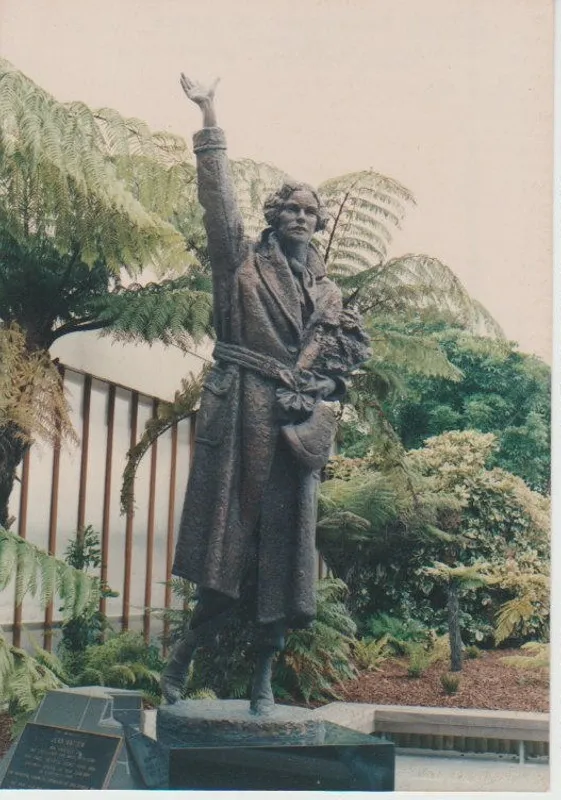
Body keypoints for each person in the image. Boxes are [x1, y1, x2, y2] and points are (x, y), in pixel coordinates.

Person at [160, 74, 370, 714]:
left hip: (294, 431)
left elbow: (344, 368)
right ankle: (182, 658)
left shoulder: (332, 297)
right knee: (230, 548)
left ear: (318, 223)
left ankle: (262, 683)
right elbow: (218, 207)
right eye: (291, 210)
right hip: (243, 412)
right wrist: (210, 118)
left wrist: (319, 386)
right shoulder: (240, 267)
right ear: (274, 217)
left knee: (285, 559)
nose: (301, 219)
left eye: (311, 212)